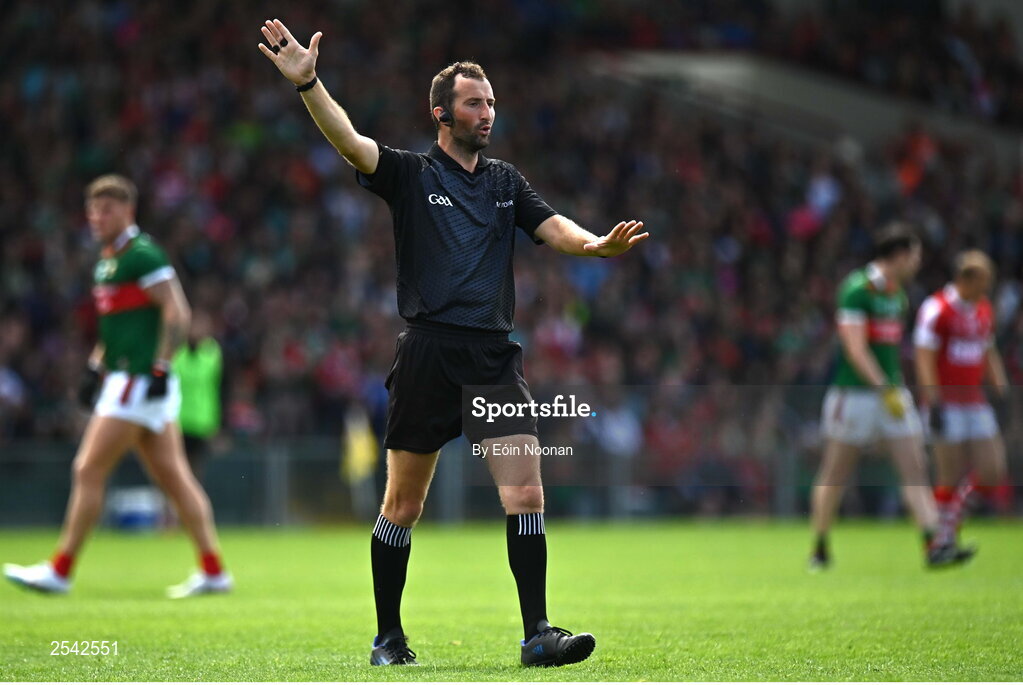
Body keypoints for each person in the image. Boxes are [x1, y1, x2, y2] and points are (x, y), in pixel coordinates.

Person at [258, 18, 648, 667]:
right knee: (402, 504)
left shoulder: (504, 181)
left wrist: (594, 243)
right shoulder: (411, 173)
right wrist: (309, 84)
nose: (486, 111)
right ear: (441, 111)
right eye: (474, 101)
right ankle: (388, 637)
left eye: (491, 101)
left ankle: (537, 634)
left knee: (525, 494)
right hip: (427, 354)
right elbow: (353, 145)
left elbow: (552, 227)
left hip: (493, 355)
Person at [3, 175, 232, 599]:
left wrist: (160, 368)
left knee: (88, 468)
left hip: (137, 382)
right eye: (92, 210)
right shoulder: (107, 262)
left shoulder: (142, 255)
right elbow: (117, 331)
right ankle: (214, 571)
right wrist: (95, 367)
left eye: (106, 209)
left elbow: (177, 313)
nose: (97, 217)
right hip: (132, 380)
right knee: (177, 481)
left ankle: (60, 570)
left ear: (128, 211)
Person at [809, 223, 974, 570]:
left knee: (914, 467)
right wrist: (885, 388)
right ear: (899, 255)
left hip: (891, 393)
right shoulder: (858, 289)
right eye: (914, 255)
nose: (917, 262)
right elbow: (855, 349)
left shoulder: (897, 295)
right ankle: (820, 547)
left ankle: (934, 545)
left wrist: (894, 388)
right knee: (835, 473)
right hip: (854, 395)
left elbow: (888, 351)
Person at [913, 250, 1009, 547]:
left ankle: (950, 522)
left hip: (975, 401)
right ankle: (938, 541)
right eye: (983, 279)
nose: (987, 286)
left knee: (994, 470)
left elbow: (987, 349)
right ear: (965, 278)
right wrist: (933, 400)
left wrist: (1000, 386)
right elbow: (924, 358)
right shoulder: (937, 309)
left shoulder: (983, 309)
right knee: (948, 475)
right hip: (946, 403)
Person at [172, 310, 224, 480]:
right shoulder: (176, 350)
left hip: (202, 424)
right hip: (177, 421)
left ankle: (191, 507)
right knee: (174, 471)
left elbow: (221, 389)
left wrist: (219, 425)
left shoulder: (213, 353)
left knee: (196, 473)